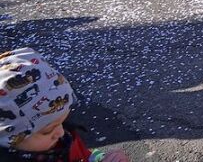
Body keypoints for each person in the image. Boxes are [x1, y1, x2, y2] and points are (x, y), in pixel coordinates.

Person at [0, 48, 129, 161]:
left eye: (62, 122)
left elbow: (82, 155)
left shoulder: (59, 138)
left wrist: (100, 158)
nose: (61, 132)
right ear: (9, 136)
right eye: (47, 131)